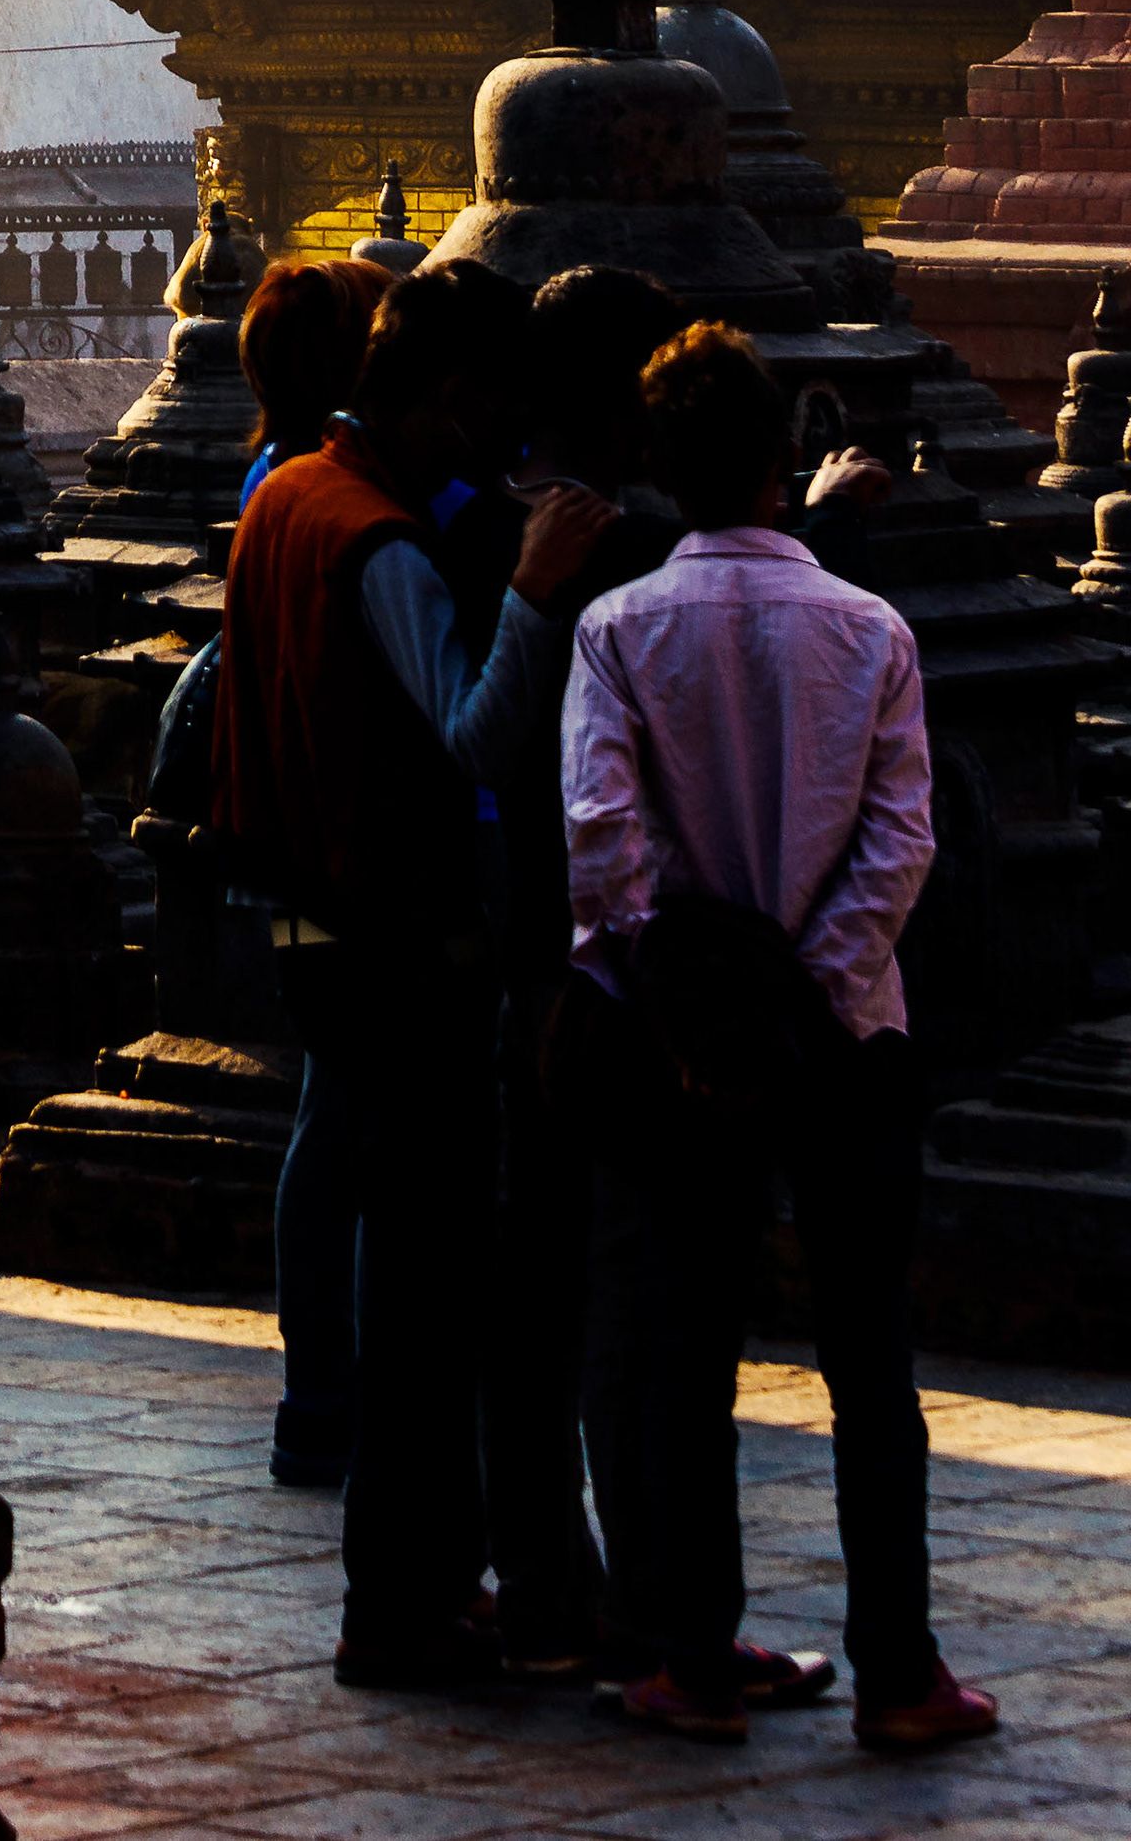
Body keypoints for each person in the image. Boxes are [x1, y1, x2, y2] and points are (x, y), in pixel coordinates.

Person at [561, 320, 990, 1756]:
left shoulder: (617, 628)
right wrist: (809, 984)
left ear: (662, 474)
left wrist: (692, 1006)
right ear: (784, 461)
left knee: (691, 1352)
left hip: (684, 1043)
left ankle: (696, 1651)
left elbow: (605, 849)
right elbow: (901, 841)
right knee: (871, 1360)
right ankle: (899, 1668)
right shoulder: (868, 627)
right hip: (847, 1036)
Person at [212, 257, 613, 1693]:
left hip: (314, 928)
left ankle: (420, 1583)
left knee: (408, 1269)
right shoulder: (376, 539)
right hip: (396, 947)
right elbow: (472, 734)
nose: (505, 445)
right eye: (496, 414)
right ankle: (406, 1598)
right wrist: (541, 588)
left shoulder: (284, 492)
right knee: (432, 1298)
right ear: (449, 398)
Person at [474, 265, 685, 1678]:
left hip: (503, 952)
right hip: (600, 965)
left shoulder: (475, 518)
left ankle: (546, 1577)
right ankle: (622, 1600)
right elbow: (523, 761)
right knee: (624, 1303)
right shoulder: (626, 551)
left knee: (529, 1298)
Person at [228, 256, 392, 1496]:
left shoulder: (270, 478)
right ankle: (327, 1391)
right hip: (346, 852)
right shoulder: (324, 499)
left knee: (327, 1128)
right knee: (343, 1133)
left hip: (286, 847)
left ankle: (320, 1386)